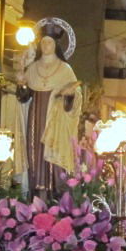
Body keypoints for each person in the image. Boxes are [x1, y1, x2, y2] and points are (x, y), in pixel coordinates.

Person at [14, 32, 82, 194]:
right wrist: (22, 86)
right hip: (35, 117)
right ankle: (34, 192)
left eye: (49, 43)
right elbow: (24, 97)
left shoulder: (65, 69)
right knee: (34, 150)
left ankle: (55, 194)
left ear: (56, 46)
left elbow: (75, 94)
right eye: (43, 43)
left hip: (55, 119)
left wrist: (70, 94)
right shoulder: (32, 68)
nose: (45, 46)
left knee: (53, 153)